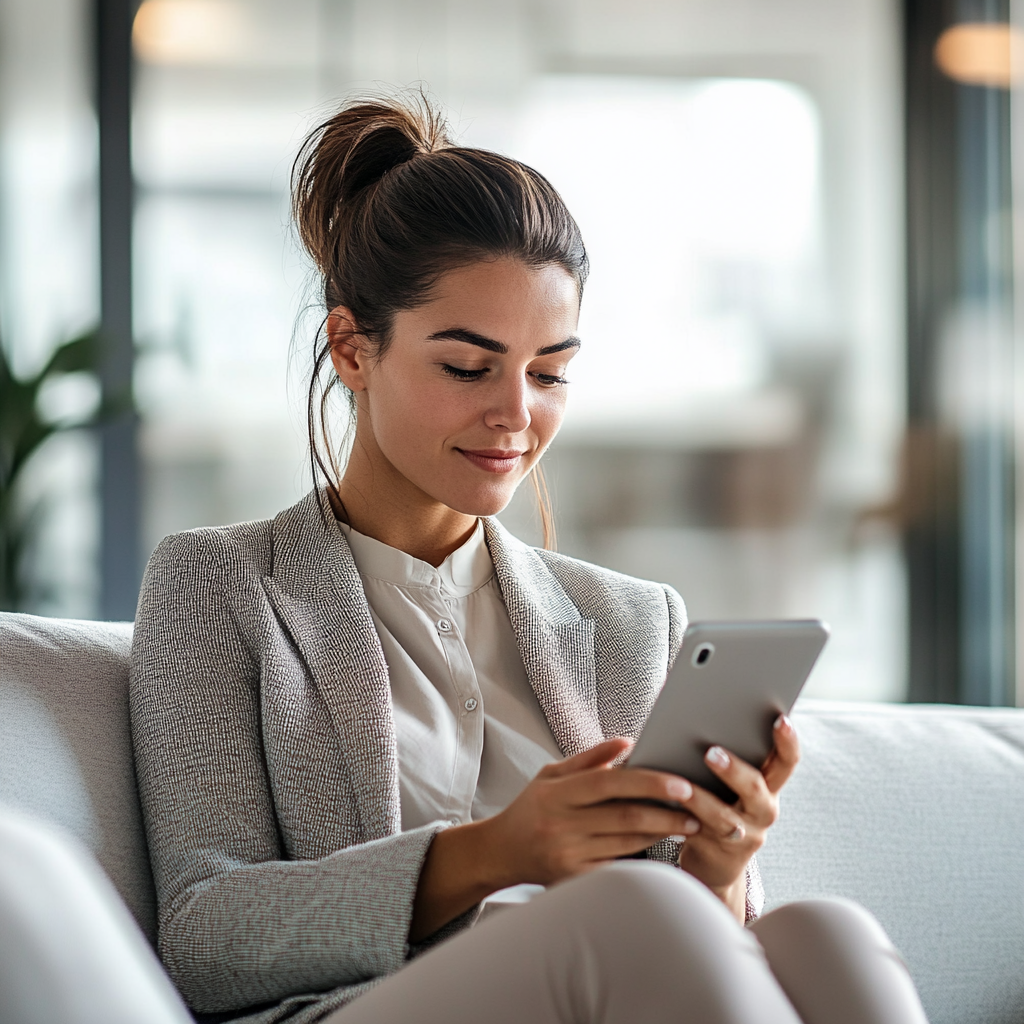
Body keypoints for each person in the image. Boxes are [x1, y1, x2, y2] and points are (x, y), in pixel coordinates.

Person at [129, 96, 929, 1024]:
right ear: (352, 348)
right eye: (468, 368)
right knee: (631, 909)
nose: (517, 415)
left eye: (549, 373)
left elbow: (699, 950)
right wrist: (498, 851)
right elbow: (201, 935)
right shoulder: (220, 588)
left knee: (822, 933)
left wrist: (720, 864)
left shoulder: (634, 623)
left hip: (624, 987)